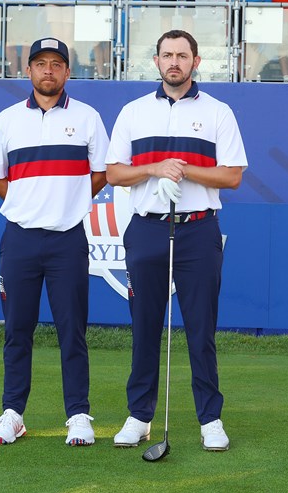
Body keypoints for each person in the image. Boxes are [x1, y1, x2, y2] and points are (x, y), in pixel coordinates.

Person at [106, 29, 247, 453]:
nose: (174, 62)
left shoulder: (218, 111)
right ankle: (139, 417)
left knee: (201, 329)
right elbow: (114, 172)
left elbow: (233, 175)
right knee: (144, 327)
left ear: (196, 62)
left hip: (199, 228)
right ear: (156, 61)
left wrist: (182, 170)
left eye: (182, 55)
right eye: (167, 55)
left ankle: (210, 419)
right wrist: (154, 169)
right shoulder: (133, 112)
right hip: (147, 226)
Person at [0, 37, 109, 447]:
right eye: (40, 63)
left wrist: (67, 203)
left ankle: (78, 414)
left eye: (56, 63)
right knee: (18, 329)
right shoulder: (7, 119)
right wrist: (25, 202)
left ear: (68, 72)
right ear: (29, 71)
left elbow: (102, 173)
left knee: (72, 330)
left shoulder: (88, 117)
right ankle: (12, 413)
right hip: (19, 238)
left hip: (67, 240)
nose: (48, 70)